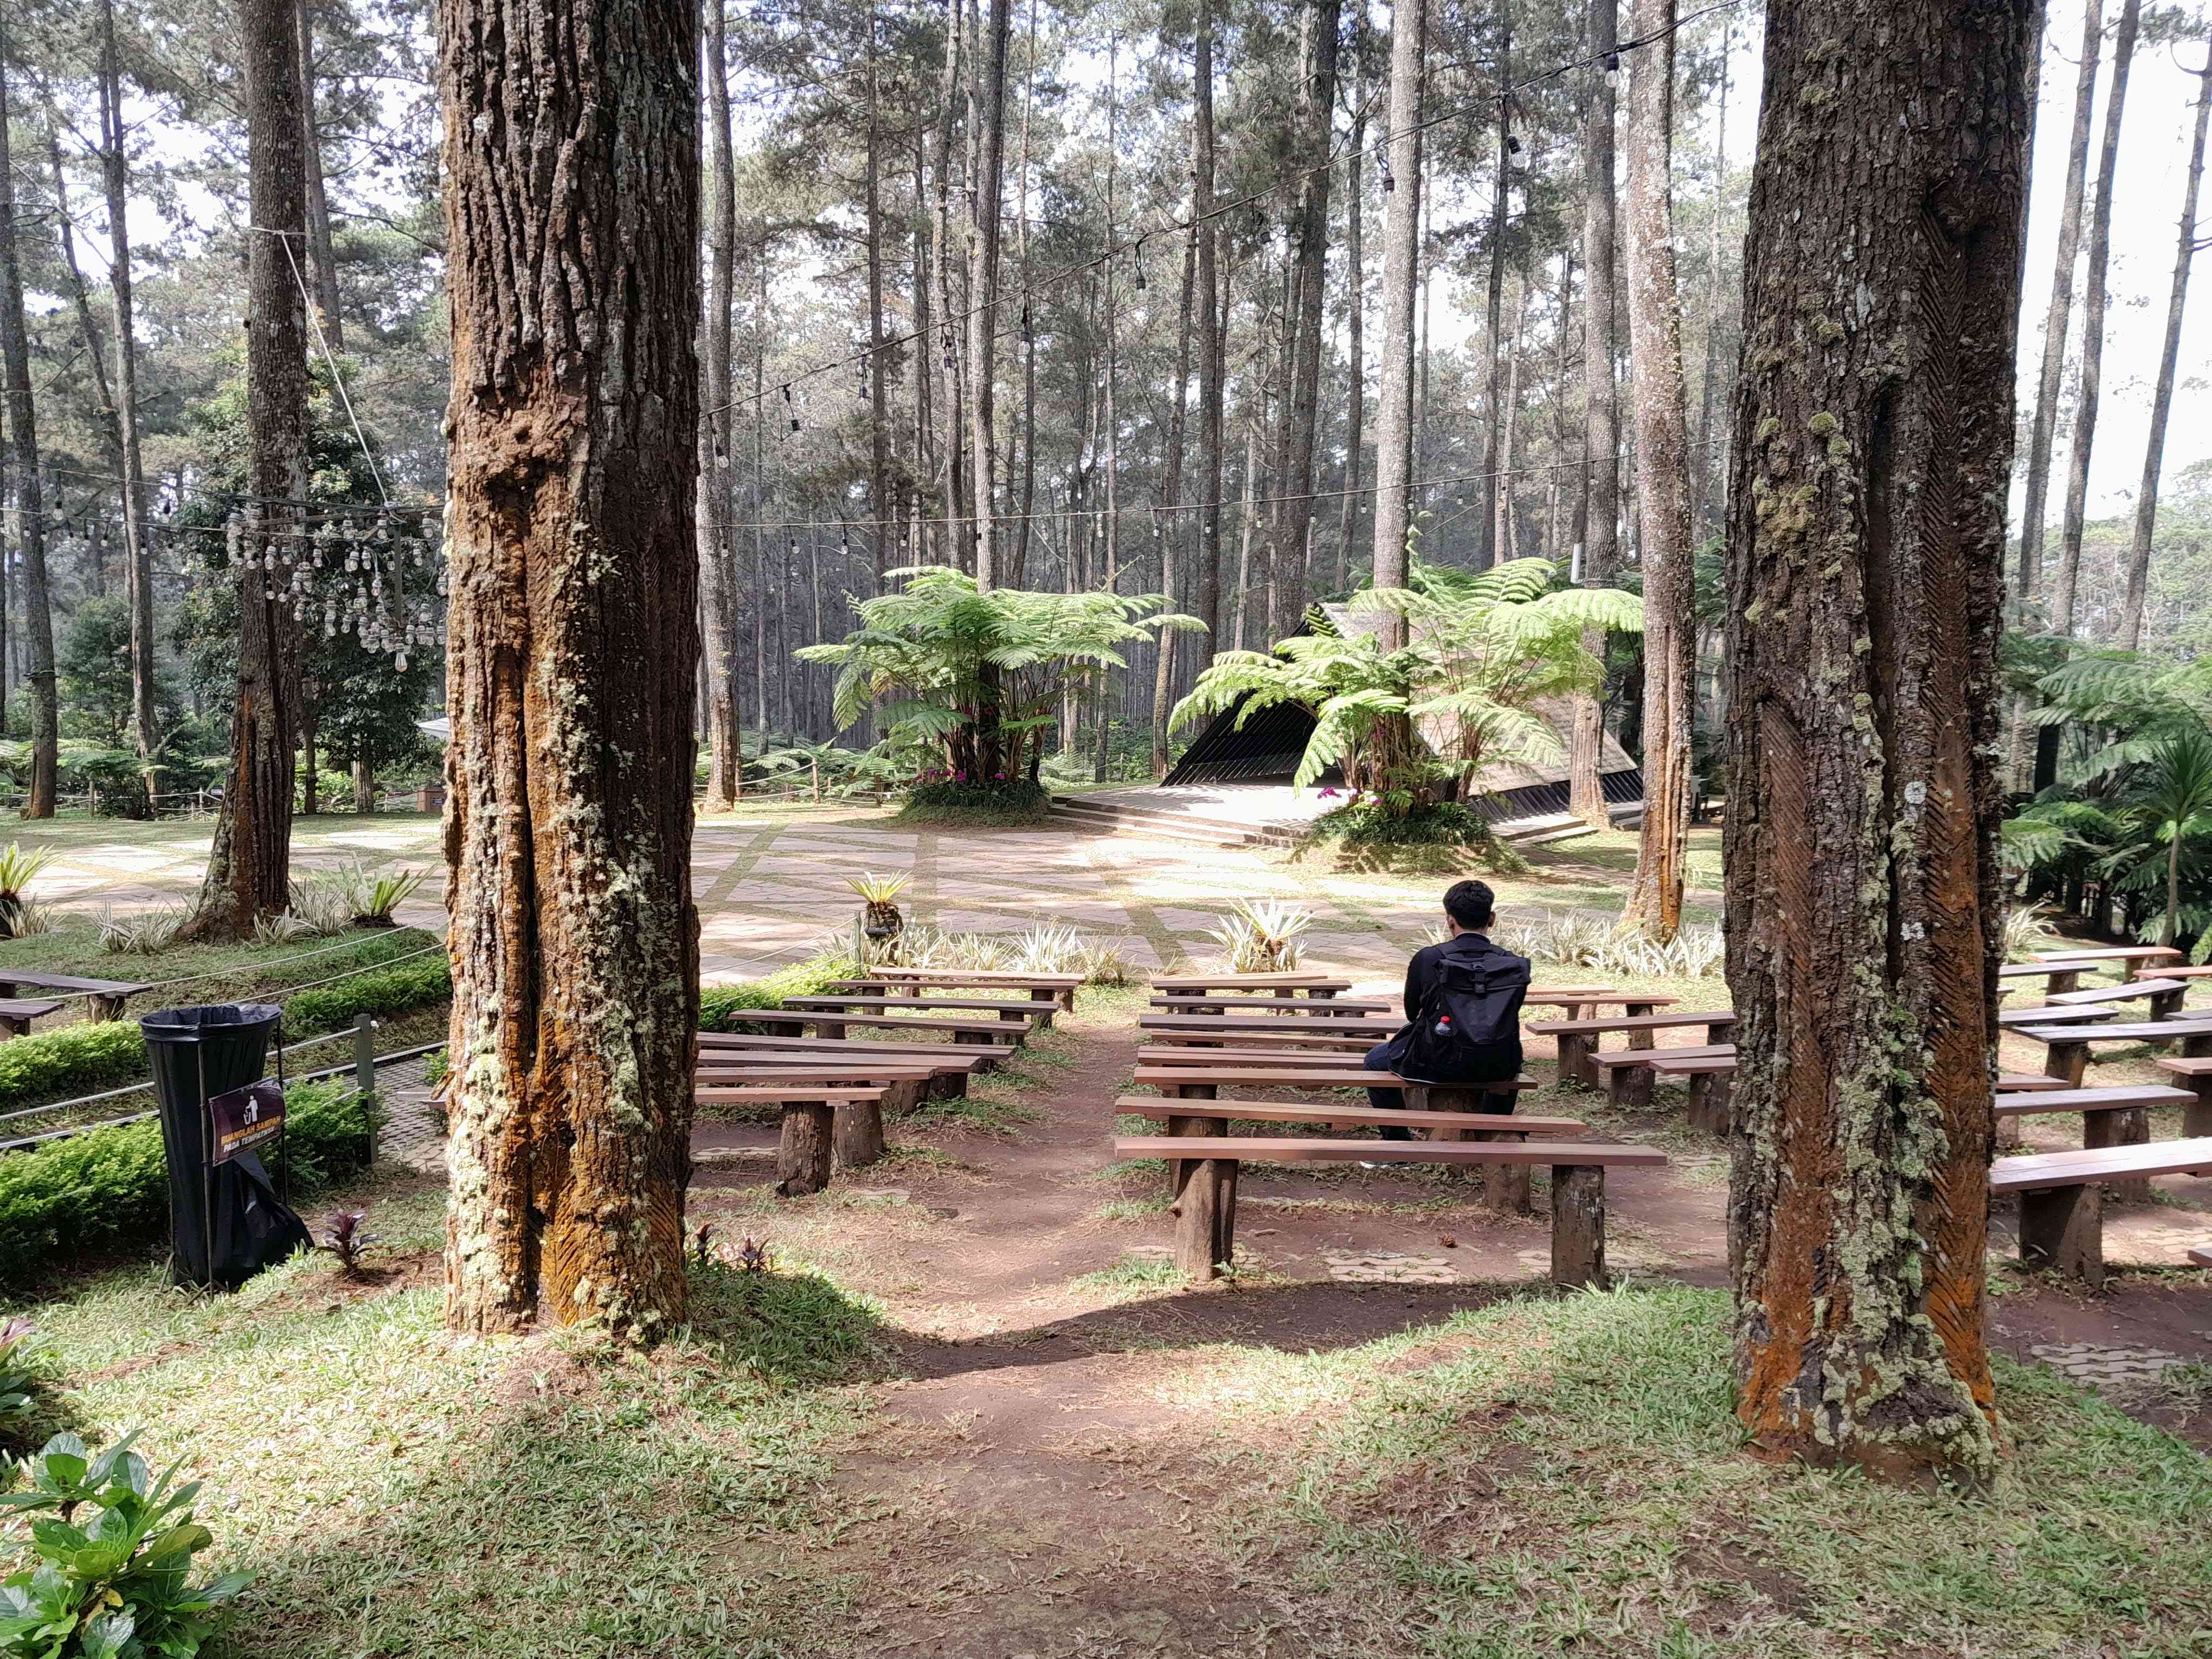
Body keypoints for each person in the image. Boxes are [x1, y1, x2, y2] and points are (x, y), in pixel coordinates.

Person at [1362, 880, 1532, 1148]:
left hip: (1435, 1062)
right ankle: (1491, 1134)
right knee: (1508, 1065)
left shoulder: (1428, 958)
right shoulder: (1513, 964)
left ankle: (1398, 1145)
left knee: (1374, 1061)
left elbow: (1411, 1013)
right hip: (1498, 1064)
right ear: (1492, 919)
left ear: (1450, 921)